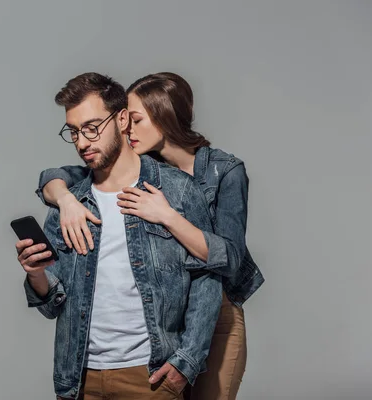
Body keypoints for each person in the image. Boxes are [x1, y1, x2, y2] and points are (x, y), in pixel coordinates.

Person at [34, 72, 264, 400]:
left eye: (135, 120)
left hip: (218, 309)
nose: (126, 129)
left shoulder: (219, 173)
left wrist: (167, 216)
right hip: (165, 314)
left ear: (162, 120)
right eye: (75, 132)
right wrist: (64, 197)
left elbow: (226, 261)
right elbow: (59, 176)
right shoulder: (129, 169)